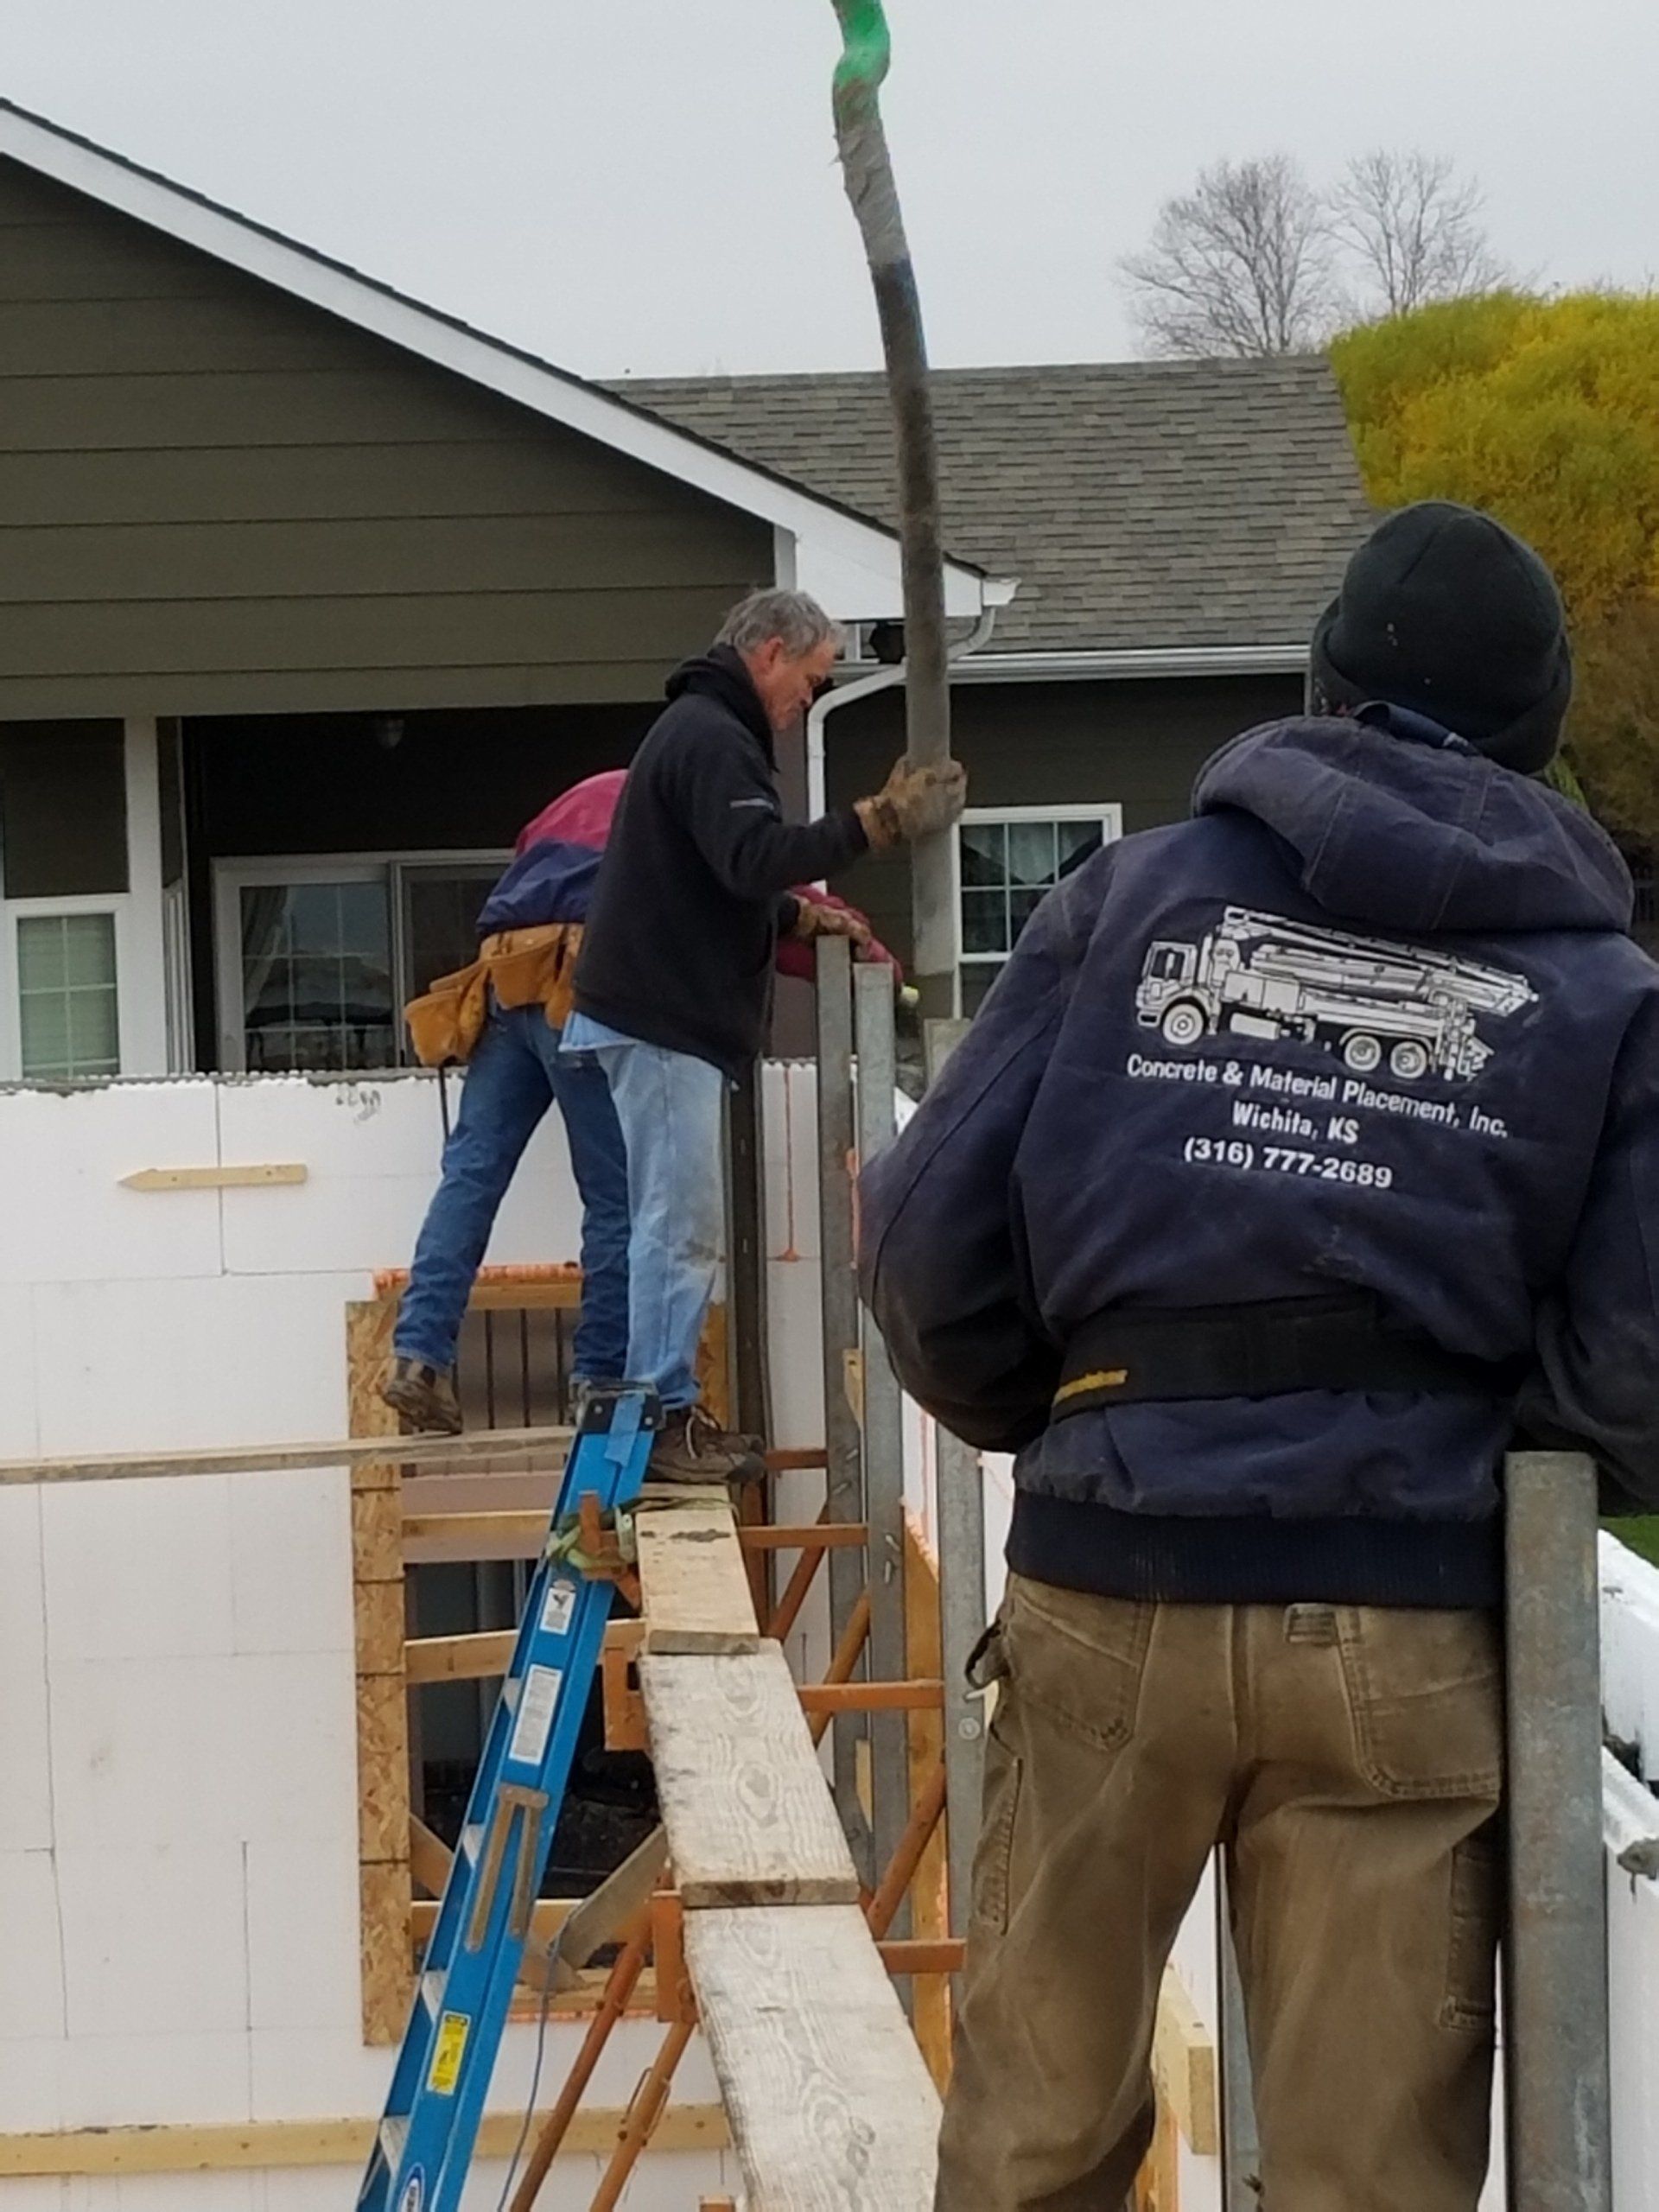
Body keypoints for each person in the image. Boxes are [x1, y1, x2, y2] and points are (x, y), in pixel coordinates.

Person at [858, 502, 1659, 2211]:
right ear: (1541, 734)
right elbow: (1640, 1356)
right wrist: (1464, 1450)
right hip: (1402, 1623)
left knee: (1032, 2147)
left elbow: (923, 1240)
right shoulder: (1600, 987)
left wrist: (1067, 1410)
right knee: (1372, 2180)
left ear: (1324, 677)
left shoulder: (1129, 899)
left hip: (1114, 1575)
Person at [565, 586, 966, 1484]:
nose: (808, 702)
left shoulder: (698, 732)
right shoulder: (714, 738)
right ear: (773, 651)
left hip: (645, 1010)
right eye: (814, 680)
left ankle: (649, 1411)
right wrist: (878, 822)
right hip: (662, 1017)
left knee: (662, 1222)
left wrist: (791, 916)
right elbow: (749, 857)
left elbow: (713, 879)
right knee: (681, 1226)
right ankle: (660, 1421)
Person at [385, 769, 896, 1437]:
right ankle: (598, 1381)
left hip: (506, 976)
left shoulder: (585, 794)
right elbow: (761, 900)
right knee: (619, 1197)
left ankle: (417, 1360)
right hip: (586, 976)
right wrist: (875, 961)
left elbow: (529, 860)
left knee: (471, 1176)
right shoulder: (699, 817)